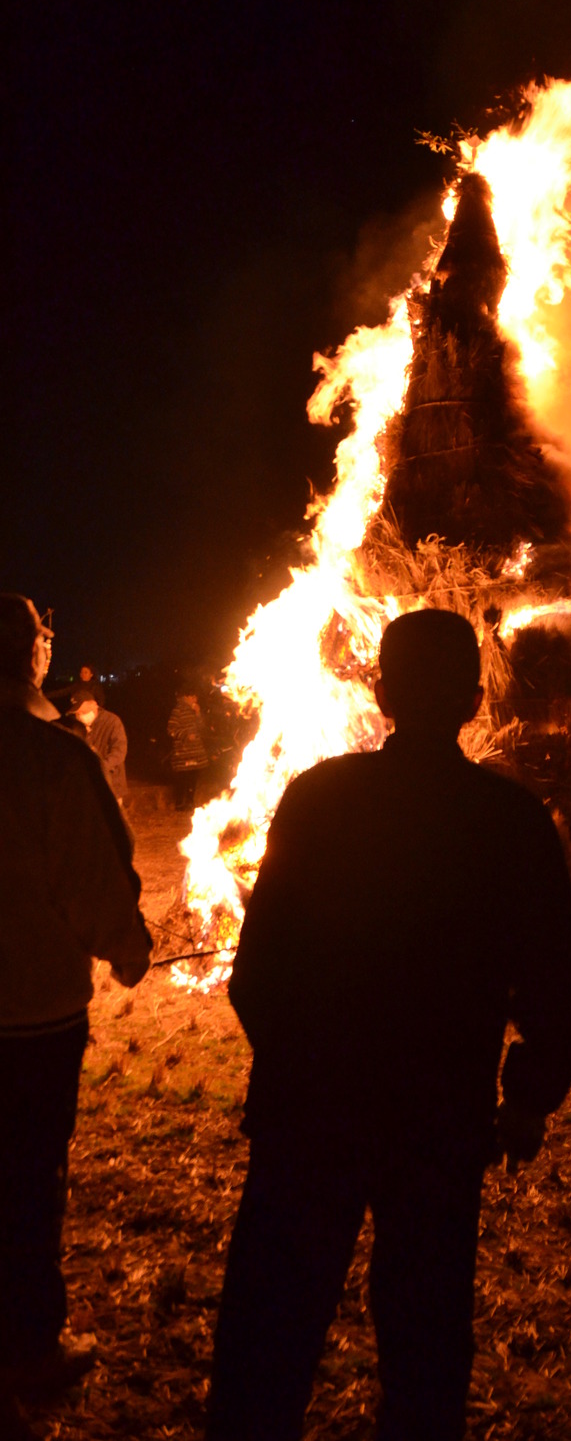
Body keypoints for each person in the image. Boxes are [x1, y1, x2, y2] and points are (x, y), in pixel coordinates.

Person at [207, 609, 571, 1441]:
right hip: (438, 1121)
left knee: (269, 1331)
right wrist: (526, 1097)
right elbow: (561, 987)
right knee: (424, 1342)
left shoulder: (318, 799)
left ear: (381, 691)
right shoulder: (509, 821)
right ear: (472, 697)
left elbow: (257, 971)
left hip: (310, 1115)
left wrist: (293, 1069)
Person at [0, 595, 151, 1426]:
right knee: (25, 1180)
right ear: (29, 653)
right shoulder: (51, 758)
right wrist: (127, 947)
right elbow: (95, 878)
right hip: (29, 1016)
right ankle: (25, 1346)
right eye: (43, 637)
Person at [73, 691, 128, 804]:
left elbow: (119, 751)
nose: (80, 716)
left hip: (112, 784)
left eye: (83, 712)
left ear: (94, 705)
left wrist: (101, 766)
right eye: (77, 713)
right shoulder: (78, 726)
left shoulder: (112, 722)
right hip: (89, 785)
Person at [167, 689, 209, 811]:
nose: (195, 700)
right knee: (182, 779)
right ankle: (180, 804)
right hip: (183, 752)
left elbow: (202, 728)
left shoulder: (195, 710)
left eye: (196, 697)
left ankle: (190, 803)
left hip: (196, 752)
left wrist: (198, 714)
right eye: (192, 697)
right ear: (186, 697)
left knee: (193, 778)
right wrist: (185, 735)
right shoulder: (177, 710)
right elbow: (171, 730)